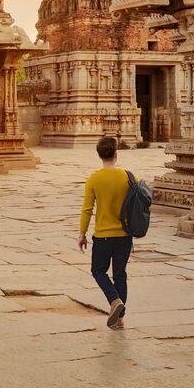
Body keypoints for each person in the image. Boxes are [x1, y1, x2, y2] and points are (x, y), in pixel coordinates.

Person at [77, 136, 132, 330]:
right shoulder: (128, 177)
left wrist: (82, 234)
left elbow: (87, 209)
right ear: (116, 154)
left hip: (103, 236)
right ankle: (119, 318)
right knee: (120, 275)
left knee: (98, 271)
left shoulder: (94, 179)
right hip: (124, 235)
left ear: (99, 155)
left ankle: (114, 301)